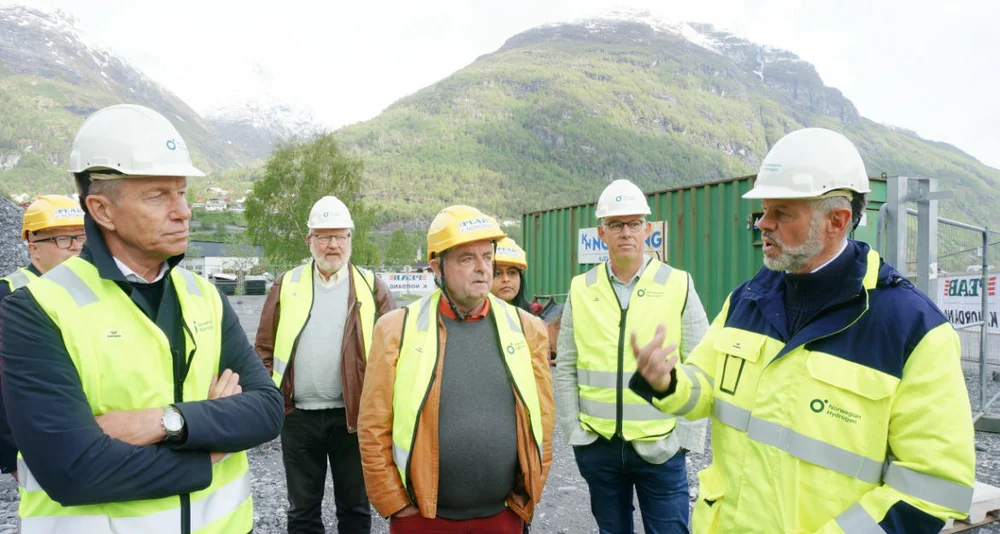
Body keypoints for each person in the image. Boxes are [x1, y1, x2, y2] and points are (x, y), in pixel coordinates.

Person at [630, 127, 976, 533]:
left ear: (836, 221)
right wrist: (668, 382)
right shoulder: (747, 299)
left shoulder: (912, 329)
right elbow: (704, 385)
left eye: (781, 212)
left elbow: (933, 487)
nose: (763, 223)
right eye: (763, 211)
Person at [0, 104, 284, 533]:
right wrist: (214, 445)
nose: (183, 211)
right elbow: (74, 471)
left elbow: (266, 410)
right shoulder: (36, 309)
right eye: (158, 195)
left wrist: (166, 422)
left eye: (182, 193)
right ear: (102, 210)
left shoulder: (204, 295)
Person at [357, 205, 554, 533]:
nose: (482, 268)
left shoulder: (527, 328)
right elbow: (373, 425)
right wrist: (395, 503)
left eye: (487, 256)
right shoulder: (396, 330)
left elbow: (543, 420)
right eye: (466, 259)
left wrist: (528, 493)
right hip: (423, 520)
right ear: (438, 267)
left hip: (503, 516)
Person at [555, 178, 710, 534]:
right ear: (601, 233)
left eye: (634, 223)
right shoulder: (582, 288)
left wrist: (686, 440)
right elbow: (566, 366)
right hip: (599, 446)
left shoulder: (678, 283)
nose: (625, 232)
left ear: (647, 229)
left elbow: (701, 363)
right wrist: (575, 433)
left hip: (662, 447)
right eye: (615, 224)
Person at [256, 195, 397, 533]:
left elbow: (396, 354)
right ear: (310, 240)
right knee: (302, 511)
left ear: (350, 239)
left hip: (354, 420)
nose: (333, 244)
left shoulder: (372, 287)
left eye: (340, 236)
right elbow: (264, 348)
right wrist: (273, 401)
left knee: (355, 508)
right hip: (298, 419)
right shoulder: (286, 285)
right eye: (324, 236)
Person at [0, 195, 86, 479]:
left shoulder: (96, 291)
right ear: (33, 246)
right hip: (32, 443)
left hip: (90, 436)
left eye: (81, 237)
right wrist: (9, 455)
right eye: (63, 239)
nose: (76, 246)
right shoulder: (9, 295)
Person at [492, 236, 542, 315]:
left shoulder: (534, 316)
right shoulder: (475, 317)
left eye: (512, 272)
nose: (506, 279)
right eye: (497, 273)